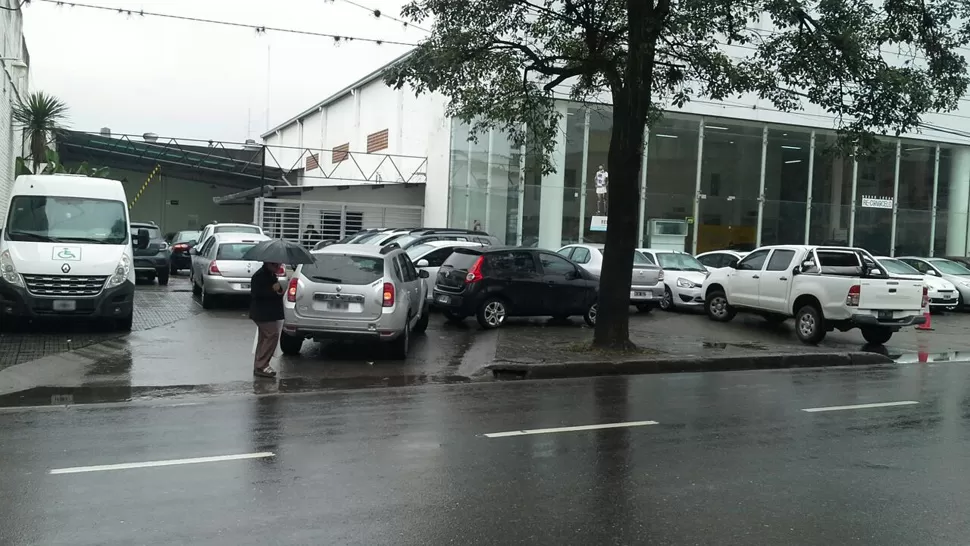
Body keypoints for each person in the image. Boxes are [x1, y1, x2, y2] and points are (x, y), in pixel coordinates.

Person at [250, 261, 284, 378]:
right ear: (267, 264)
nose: (278, 267)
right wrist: (272, 290)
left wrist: (278, 289)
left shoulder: (271, 275)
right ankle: (262, 365)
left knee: (264, 337)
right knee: (272, 334)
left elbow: (279, 291)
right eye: (275, 265)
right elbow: (257, 294)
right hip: (262, 313)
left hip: (269, 313)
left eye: (279, 265)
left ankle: (259, 365)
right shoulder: (259, 276)